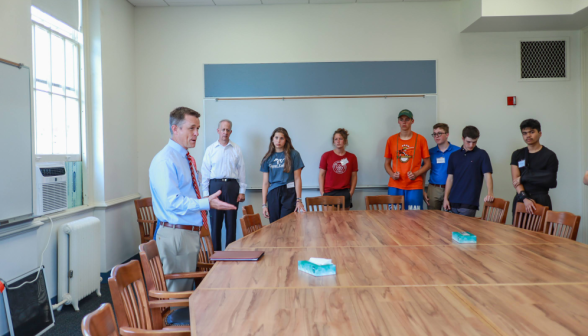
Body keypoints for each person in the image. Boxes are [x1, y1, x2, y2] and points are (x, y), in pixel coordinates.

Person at [149, 107, 236, 292]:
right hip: (176, 235)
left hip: (188, 233)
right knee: (178, 296)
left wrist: (206, 201)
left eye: (198, 128)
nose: (197, 133)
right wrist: (206, 203)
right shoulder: (165, 160)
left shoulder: (186, 158)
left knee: (186, 290)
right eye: (191, 128)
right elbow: (172, 202)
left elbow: (189, 194)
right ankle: (177, 322)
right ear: (175, 128)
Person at [201, 119, 246, 251]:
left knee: (231, 223)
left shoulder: (236, 149)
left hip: (232, 187)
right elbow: (205, 173)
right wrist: (205, 194)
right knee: (215, 223)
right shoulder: (210, 150)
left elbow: (242, 171)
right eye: (223, 129)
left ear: (231, 132)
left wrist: (242, 191)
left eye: (228, 130)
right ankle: (216, 257)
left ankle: (230, 255)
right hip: (215, 186)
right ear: (218, 131)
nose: (225, 132)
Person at [384, 109, 431, 210]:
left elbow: (428, 164)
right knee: (394, 219)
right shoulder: (391, 140)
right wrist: (392, 174)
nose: (404, 122)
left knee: (415, 219)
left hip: (414, 186)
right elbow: (386, 164)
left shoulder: (421, 139)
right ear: (398, 121)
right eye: (401, 119)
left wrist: (416, 174)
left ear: (412, 121)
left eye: (407, 119)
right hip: (395, 185)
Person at [443, 126, 494, 217]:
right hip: (452, 202)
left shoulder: (482, 154)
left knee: (464, 231)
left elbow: (487, 175)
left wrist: (490, 193)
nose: (471, 145)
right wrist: (445, 198)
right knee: (450, 230)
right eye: (468, 142)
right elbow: (450, 178)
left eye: (474, 142)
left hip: (469, 203)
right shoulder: (454, 155)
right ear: (463, 139)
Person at [510, 119, 558, 216]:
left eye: (532, 132)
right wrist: (525, 198)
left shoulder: (549, 155)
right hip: (521, 199)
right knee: (517, 230)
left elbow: (551, 181)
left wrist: (524, 178)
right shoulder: (517, 154)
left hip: (541, 199)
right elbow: (516, 180)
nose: (528, 135)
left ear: (540, 133)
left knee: (541, 231)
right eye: (524, 133)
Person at [261, 127, 305, 222]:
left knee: (287, 224)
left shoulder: (294, 154)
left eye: (281, 138)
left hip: (289, 192)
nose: (278, 141)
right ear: (272, 139)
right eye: (276, 137)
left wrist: (299, 200)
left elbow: (297, 179)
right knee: (274, 225)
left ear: (286, 140)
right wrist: (264, 205)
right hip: (273, 193)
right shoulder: (267, 157)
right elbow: (265, 183)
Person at [319, 128, 358, 210]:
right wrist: (322, 193)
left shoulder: (352, 157)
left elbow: (354, 176)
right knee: (328, 221)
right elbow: (321, 175)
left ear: (345, 141)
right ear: (333, 141)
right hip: (329, 192)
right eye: (336, 139)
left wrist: (351, 192)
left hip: (344, 192)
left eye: (340, 139)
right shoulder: (326, 156)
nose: (338, 141)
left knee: (344, 221)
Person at [423, 123, 460, 210]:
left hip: (452, 188)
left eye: (439, 133)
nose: (436, 136)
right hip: (434, 188)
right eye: (434, 134)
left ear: (447, 134)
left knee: (450, 218)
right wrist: (423, 191)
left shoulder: (457, 151)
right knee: (432, 218)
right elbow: (423, 173)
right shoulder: (430, 152)